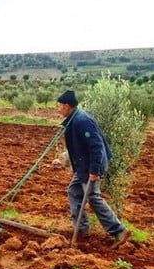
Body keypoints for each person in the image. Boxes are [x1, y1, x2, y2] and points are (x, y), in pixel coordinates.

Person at [54, 90, 131, 249]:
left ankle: (119, 231)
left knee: (93, 197)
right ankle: (82, 229)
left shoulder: (82, 121)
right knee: (74, 191)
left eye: (59, 106)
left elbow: (96, 146)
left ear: (67, 106)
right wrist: (63, 161)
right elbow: (77, 147)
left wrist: (95, 171)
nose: (58, 109)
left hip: (91, 166)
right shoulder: (73, 120)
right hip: (83, 166)